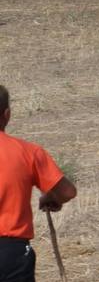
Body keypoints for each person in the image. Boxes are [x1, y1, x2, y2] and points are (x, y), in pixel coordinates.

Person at [0, 85, 78, 282]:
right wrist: (51, 197)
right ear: (7, 115)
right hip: (10, 252)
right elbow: (67, 191)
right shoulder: (28, 152)